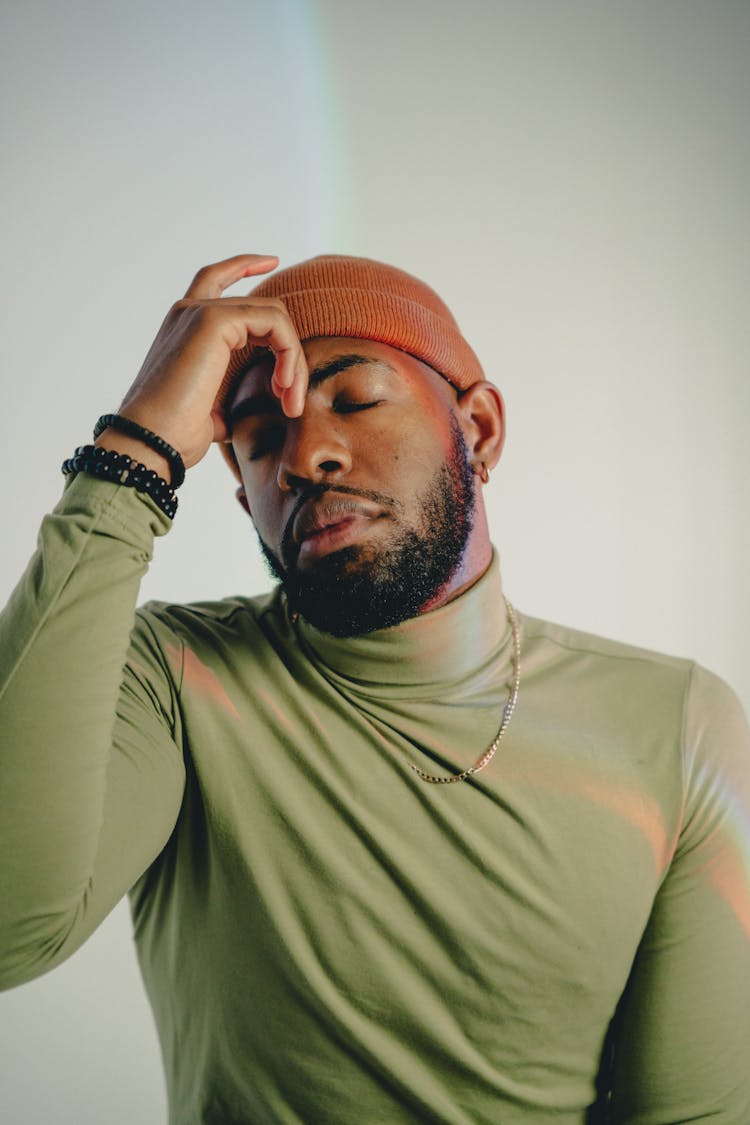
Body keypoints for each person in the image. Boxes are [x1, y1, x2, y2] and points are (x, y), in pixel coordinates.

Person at [1, 253, 748, 1124]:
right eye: (258, 436)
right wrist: (132, 452)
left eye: (354, 398)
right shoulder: (176, 678)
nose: (304, 456)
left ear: (479, 428)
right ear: (244, 500)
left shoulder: (676, 724)